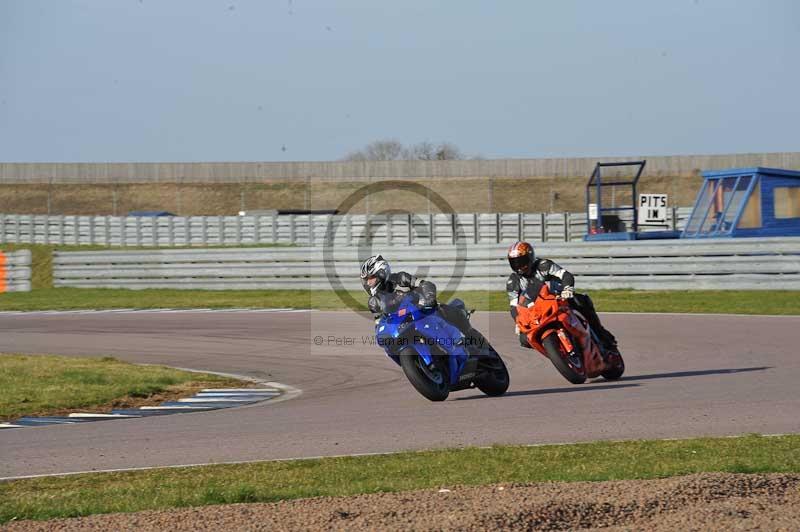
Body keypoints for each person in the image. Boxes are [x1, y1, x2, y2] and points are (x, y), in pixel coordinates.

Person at [505, 241, 619, 354]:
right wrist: (518, 322)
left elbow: (565, 275)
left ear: (530, 257)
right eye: (514, 263)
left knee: (582, 301)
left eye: (522, 261)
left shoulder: (543, 265)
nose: (519, 266)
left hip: (559, 299)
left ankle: (602, 335)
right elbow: (514, 306)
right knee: (524, 339)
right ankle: (555, 351)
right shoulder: (513, 281)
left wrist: (567, 289)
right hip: (537, 311)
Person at [360, 255, 486, 350]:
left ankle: (480, 345)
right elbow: (379, 324)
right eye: (366, 280)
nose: (368, 283)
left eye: (371, 278)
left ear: (382, 273)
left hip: (425, 309)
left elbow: (425, 284)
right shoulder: (374, 302)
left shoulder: (401, 278)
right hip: (405, 324)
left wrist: (429, 298)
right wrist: (383, 337)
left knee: (448, 311)